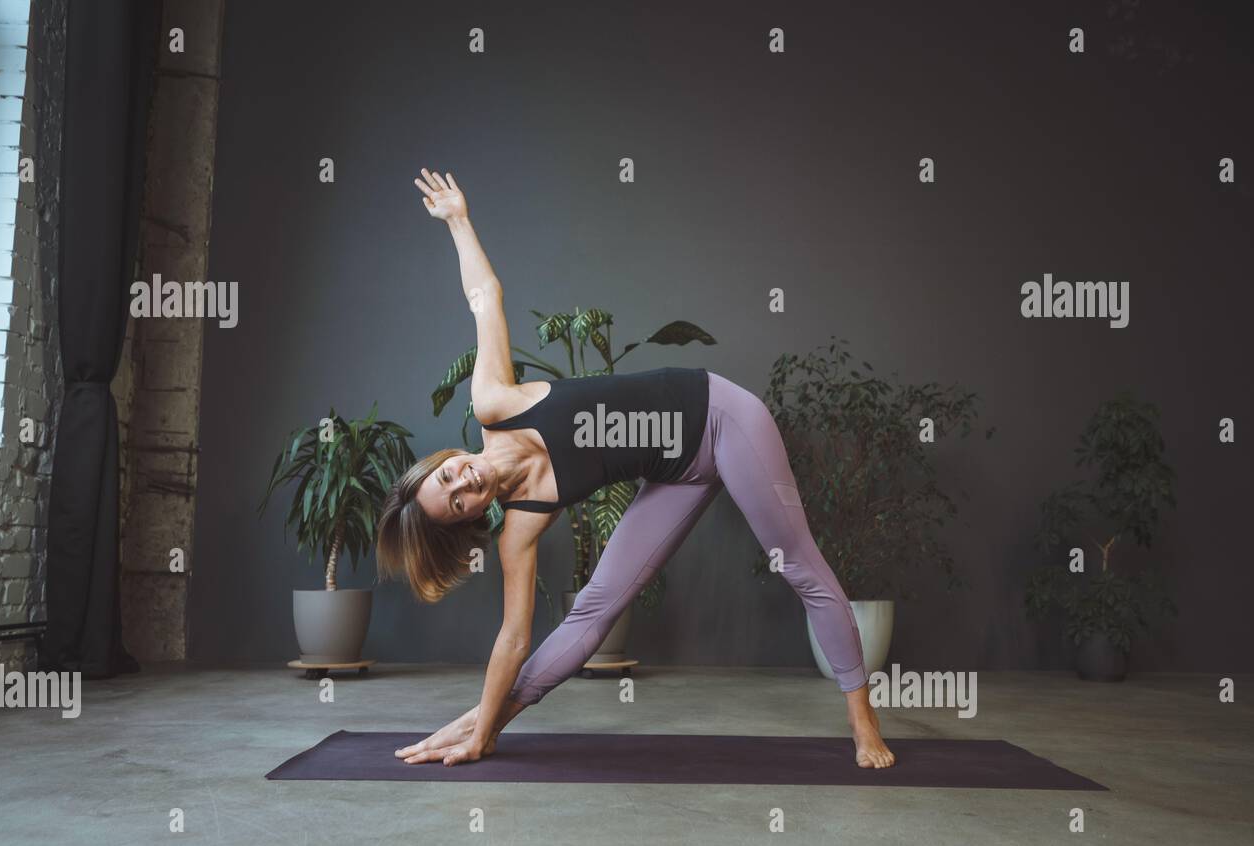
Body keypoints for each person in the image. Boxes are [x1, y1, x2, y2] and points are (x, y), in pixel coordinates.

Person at [376, 169, 895, 770]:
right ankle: (486, 725)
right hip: (678, 473)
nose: (464, 486)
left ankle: (863, 721)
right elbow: (514, 638)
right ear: (469, 522)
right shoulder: (519, 527)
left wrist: (458, 220)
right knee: (594, 608)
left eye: (449, 478)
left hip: (722, 418)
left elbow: (483, 297)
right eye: (458, 505)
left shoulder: (494, 401)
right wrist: (486, 722)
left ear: (448, 460)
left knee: (798, 563)